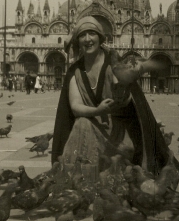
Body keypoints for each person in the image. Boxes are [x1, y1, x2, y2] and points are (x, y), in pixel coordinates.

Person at [51, 16, 172, 175]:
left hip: (120, 134)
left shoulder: (112, 64)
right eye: (82, 35)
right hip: (93, 130)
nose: (88, 39)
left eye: (92, 34)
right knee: (82, 124)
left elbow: (127, 98)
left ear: (100, 37)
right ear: (77, 40)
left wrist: (123, 96)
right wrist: (97, 111)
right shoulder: (75, 71)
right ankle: (78, 176)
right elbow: (75, 106)